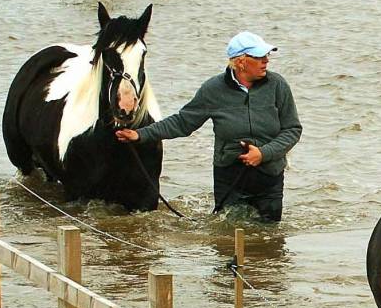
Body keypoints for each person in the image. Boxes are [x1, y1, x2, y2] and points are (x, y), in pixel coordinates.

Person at [116, 30, 302, 222]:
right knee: (229, 238)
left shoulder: (278, 85)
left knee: (270, 241)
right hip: (229, 177)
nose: (266, 61)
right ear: (241, 62)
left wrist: (263, 153)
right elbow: (183, 122)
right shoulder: (213, 89)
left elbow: (292, 129)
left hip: (269, 176)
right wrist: (140, 135)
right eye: (259, 56)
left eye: (267, 55)